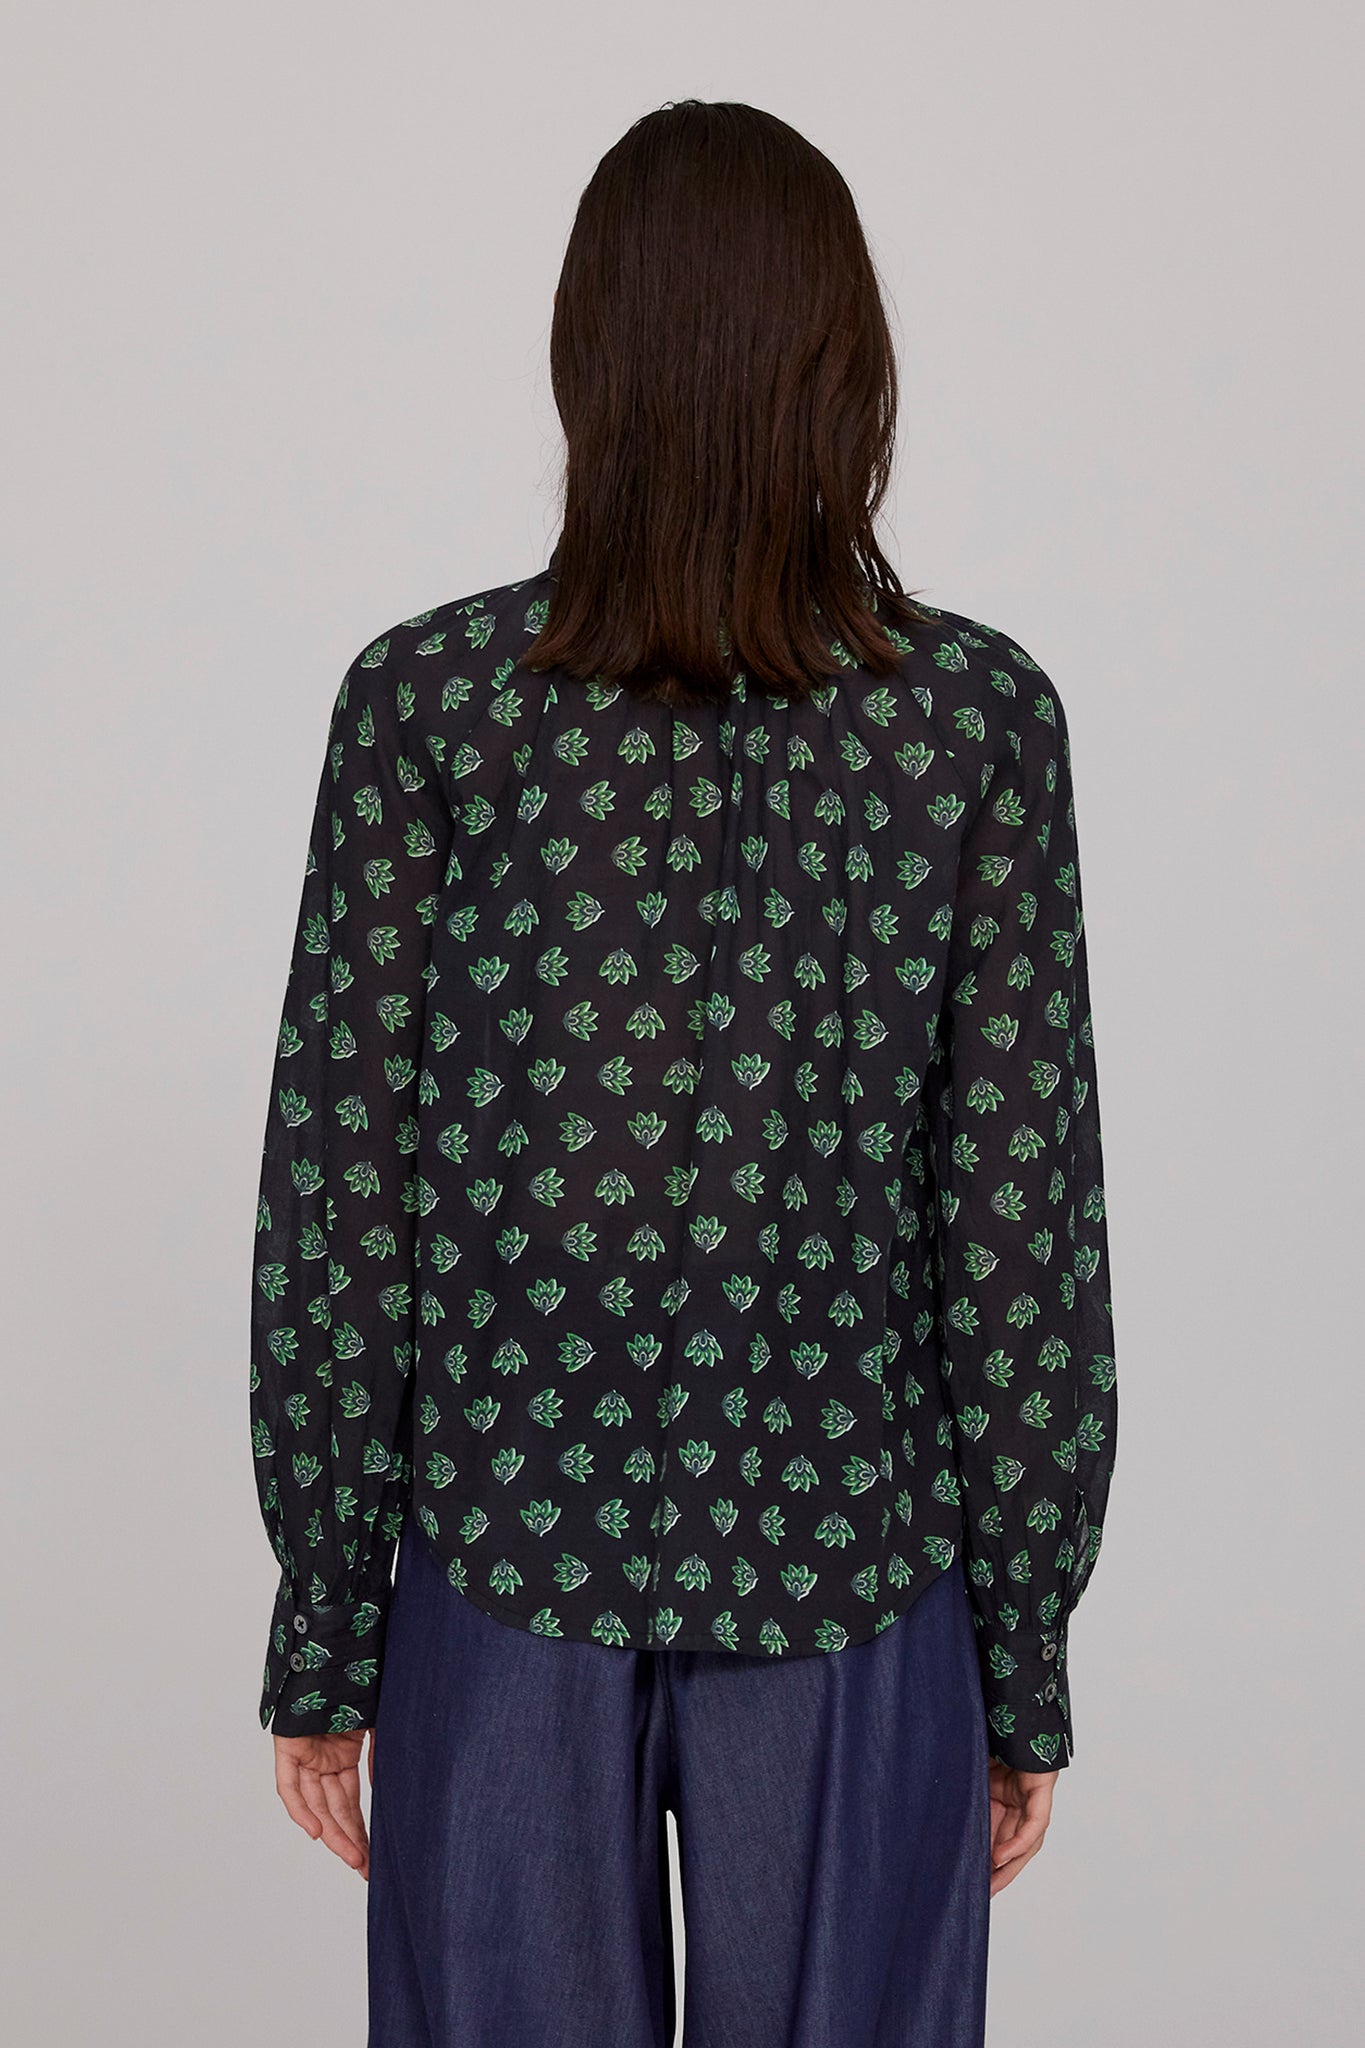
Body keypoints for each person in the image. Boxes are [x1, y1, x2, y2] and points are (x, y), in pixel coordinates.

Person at [249, 97, 1118, 2048]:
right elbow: (1015, 1237)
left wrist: (329, 1625)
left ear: (589, 359)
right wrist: (1018, 1658)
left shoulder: (430, 706)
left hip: (498, 1559)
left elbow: (341, 1207)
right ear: (845, 362)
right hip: (856, 1570)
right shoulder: (969, 723)